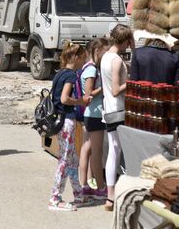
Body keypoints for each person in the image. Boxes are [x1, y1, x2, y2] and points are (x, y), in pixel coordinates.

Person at [48, 43, 92, 211]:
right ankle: (55, 198)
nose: (84, 61)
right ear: (75, 57)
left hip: (60, 121)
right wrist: (81, 101)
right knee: (65, 159)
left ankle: (78, 194)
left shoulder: (60, 74)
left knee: (72, 158)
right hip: (66, 121)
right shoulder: (71, 76)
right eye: (83, 58)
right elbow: (65, 99)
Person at [100, 24, 135, 211]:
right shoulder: (116, 61)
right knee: (117, 151)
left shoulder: (106, 56)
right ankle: (113, 195)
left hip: (108, 110)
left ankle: (110, 195)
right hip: (118, 110)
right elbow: (115, 90)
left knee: (114, 150)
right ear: (126, 41)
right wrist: (130, 82)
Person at [78, 38, 110, 201]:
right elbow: (88, 94)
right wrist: (105, 88)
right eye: (104, 51)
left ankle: (84, 186)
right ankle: (100, 187)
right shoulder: (91, 70)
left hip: (90, 114)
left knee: (88, 149)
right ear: (97, 50)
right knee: (97, 152)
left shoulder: (87, 67)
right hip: (95, 114)